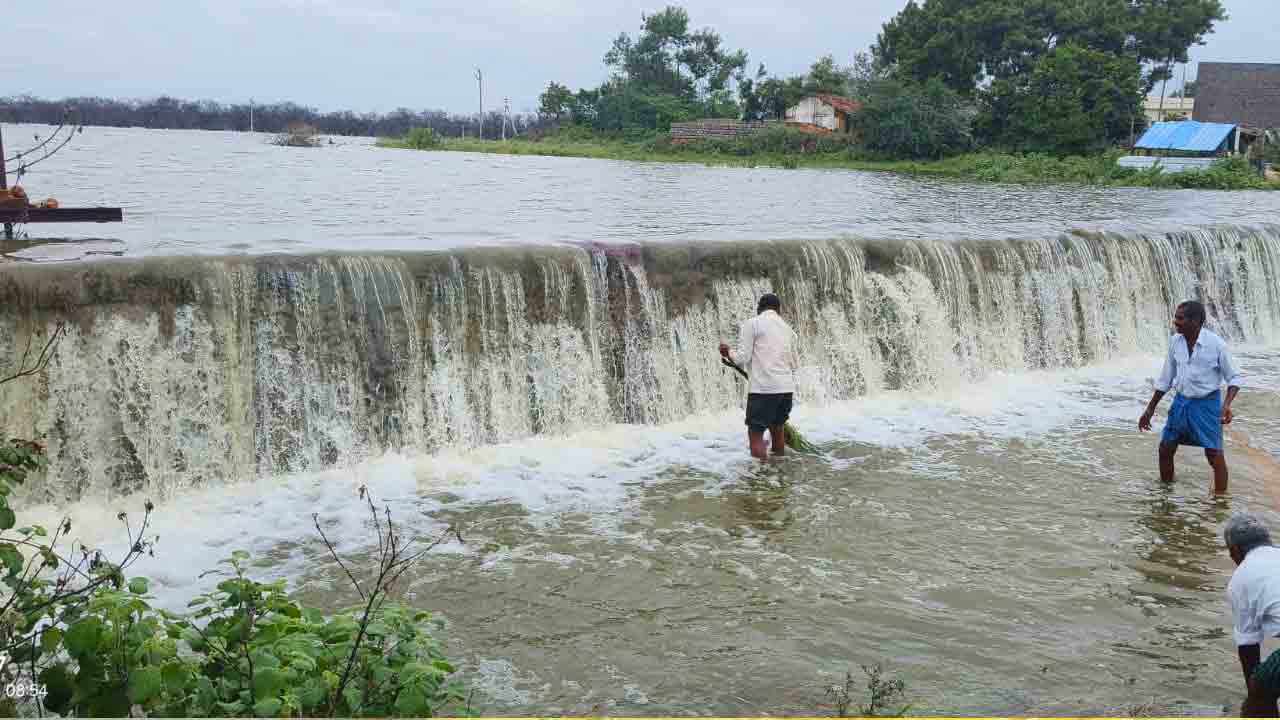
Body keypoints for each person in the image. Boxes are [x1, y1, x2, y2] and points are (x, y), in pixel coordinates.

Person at [1138, 300, 1241, 494]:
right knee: (1165, 448)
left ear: (1195, 321)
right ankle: (1165, 493)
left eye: (1180, 318)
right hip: (1181, 402)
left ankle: (1220, 500)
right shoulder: (1175, 342)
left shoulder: (1216, 345)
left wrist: (1226, 405)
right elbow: (1166, 378)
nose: (1175, 321)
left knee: (1214, 454)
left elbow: (1234, 378)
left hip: (1207, 405)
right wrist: (1150, 409)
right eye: (1176, 317)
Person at [719, 293, 799, 461]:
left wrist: (728, 352)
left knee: (755, 435)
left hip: (763, 390)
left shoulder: (753, 324)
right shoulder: (788, 330)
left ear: (759, 309)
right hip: (786, 390)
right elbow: (794, 364)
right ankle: (778, 470)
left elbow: (742, 358)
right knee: (777, 430)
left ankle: (761, 474)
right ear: (778, 310)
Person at [1224, 513, 1280, 717]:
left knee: (1258, 688)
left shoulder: (1240, 580)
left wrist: (1255, 697)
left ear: (1234, 550)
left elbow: (1248, 648)